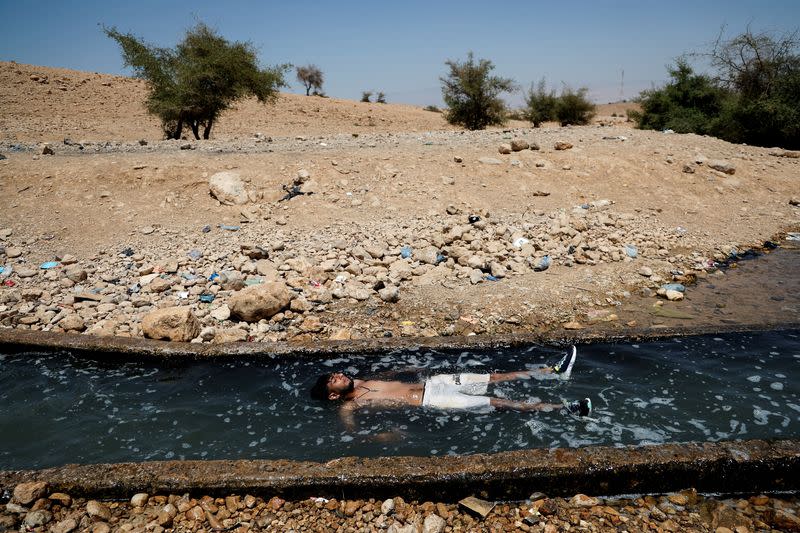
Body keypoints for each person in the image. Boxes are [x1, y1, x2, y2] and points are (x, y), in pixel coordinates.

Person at [309, 346, 591, 431]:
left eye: (337, 372)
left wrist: (408, 369)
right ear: (333, 394)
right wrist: (381, 436)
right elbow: (353, 433)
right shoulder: (349, 406)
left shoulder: (364, 379)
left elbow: (392, 373)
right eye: (335, 379)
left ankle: (553, 372)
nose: (341, 374)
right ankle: (567, 410)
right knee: (496, 403)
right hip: (433, 401)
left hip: (433, 384)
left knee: (493, 378)